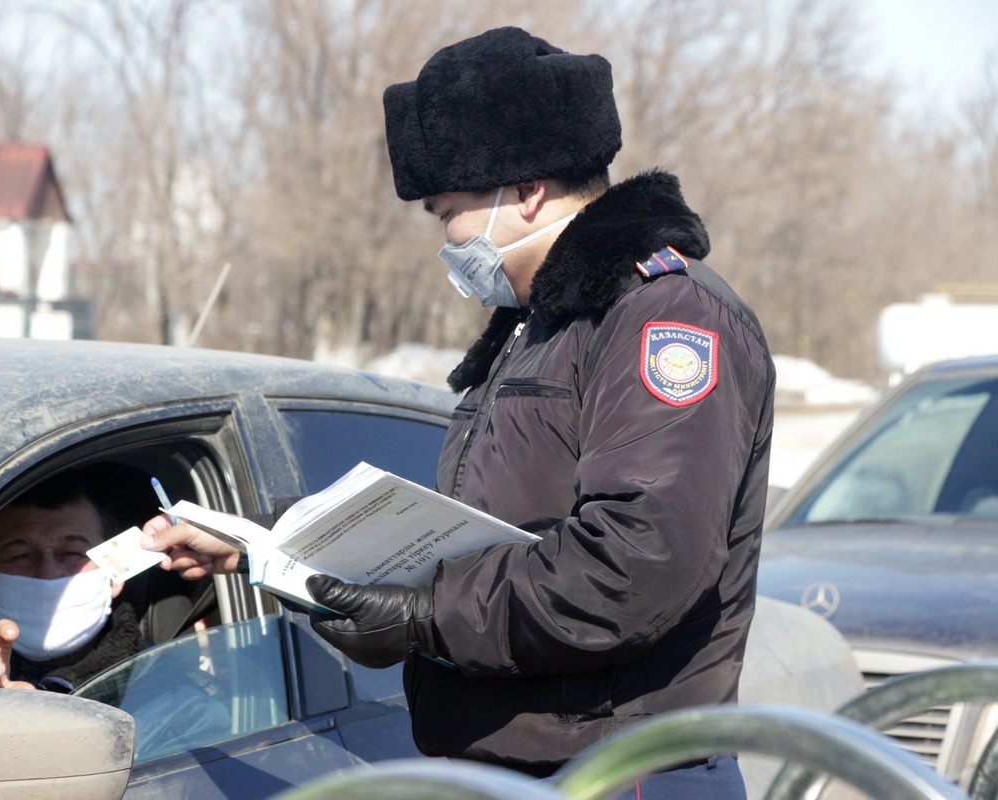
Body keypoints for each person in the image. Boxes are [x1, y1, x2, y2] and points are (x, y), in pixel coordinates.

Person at [142, 27, 774, 798]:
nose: (447, 243)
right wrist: (269, 540)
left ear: (529, 190)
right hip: (514, 771)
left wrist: (425, 617)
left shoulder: (663, 315)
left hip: (617, 774)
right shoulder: (537, 326)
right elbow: (471, 521)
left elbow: (638, 562)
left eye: (450, 213)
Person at [0, 470, 144, 707]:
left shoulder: (164, 670)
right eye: (20, 556)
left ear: (115, 572)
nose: (47, 574)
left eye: (72, 554)